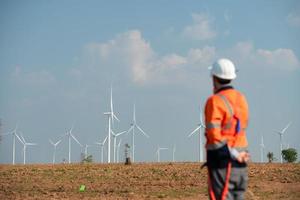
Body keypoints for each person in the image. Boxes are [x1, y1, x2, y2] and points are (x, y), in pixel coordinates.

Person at [204, 58, 250, 200]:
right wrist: (238, 155)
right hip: (241, 165)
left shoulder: (215, 101)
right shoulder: (241, 98)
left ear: (214, 78)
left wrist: (233, 154)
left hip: (223, 164)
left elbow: (215, 136)